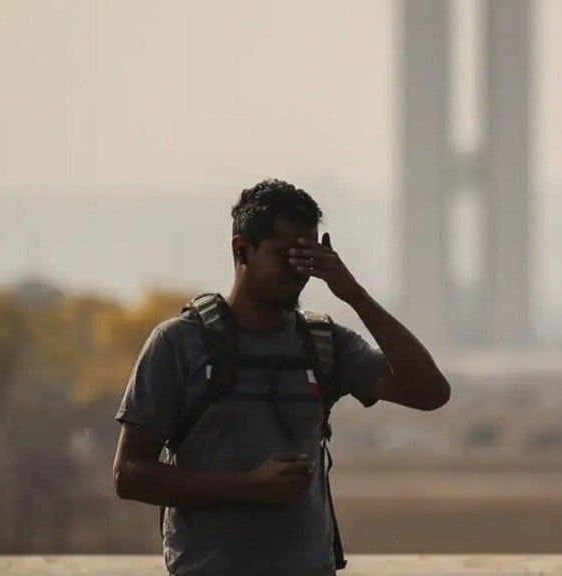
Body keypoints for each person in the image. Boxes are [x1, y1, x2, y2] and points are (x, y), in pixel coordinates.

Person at [112, 179, 450, 576]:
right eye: (284, 255)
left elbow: (429, 392)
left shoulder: (324, 345)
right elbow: (129, 474)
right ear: (242, 250)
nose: (298, 270)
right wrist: (250, 485)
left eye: (306, 256)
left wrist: (353, 293)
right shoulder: (180, 344)